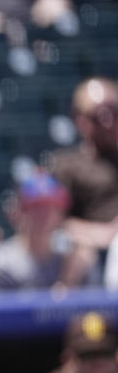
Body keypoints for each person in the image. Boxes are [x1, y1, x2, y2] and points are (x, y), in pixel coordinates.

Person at [0, 170, 100, 291]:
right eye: (35, 208)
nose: (42, 217)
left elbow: (92, 308)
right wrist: (66, 283)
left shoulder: (76, 258)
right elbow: (4, 310)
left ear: (61, 215)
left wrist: (75, 270)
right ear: (20, 213)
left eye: (49, 208)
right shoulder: (0, 263)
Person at [50, 78, 118, 251]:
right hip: (93, 257)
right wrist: (106, 234)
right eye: (99, 115)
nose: (108, 122)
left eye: (114, 112)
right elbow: (52, 222)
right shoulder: (66, 165)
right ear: (80, 119)